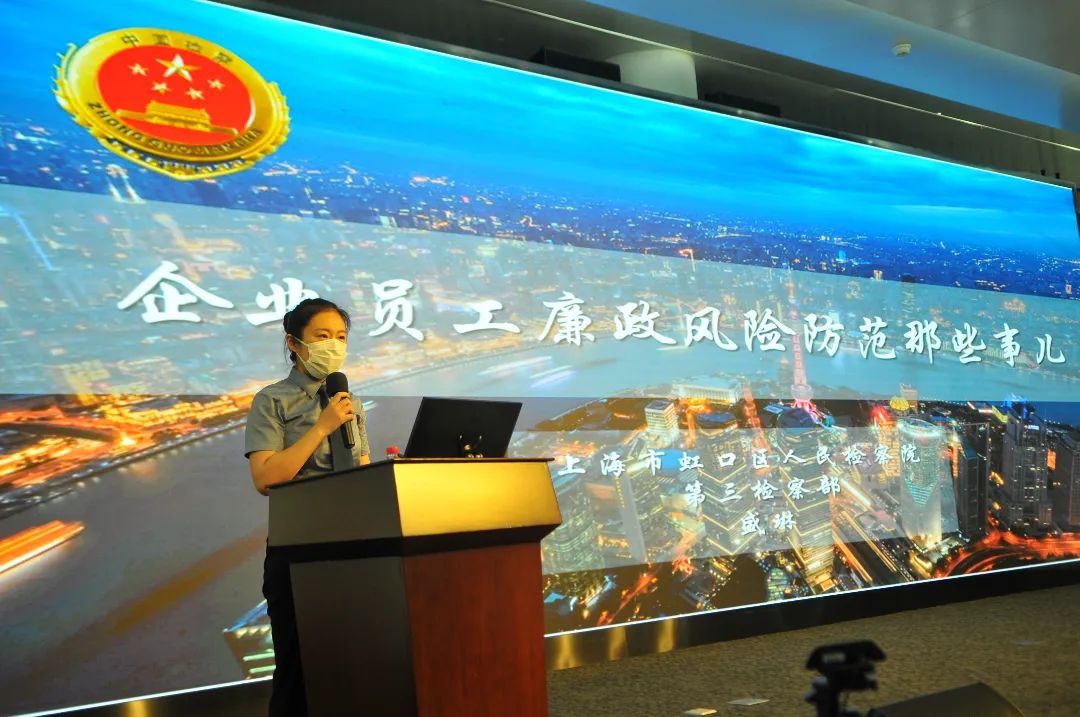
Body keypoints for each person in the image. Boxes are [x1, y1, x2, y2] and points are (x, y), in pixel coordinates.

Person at [244, 297, 371, 716]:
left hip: (354, 544)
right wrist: (321, 427)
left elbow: (363, 470)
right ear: (294, 343)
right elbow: (265, 478)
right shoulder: (272, 401)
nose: (334, 345)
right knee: (298, 668)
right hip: (298, 548)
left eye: (341, 337)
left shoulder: (350, 402)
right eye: (322, 336)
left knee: (356, 662)